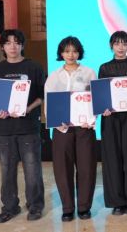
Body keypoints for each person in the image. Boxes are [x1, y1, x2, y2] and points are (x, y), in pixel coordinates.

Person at [0, 29, 45, 223]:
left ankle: (35, 206)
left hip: (28, 127)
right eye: (8, 43)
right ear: (2, 47)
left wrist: (28, 108)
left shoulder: (34, 67)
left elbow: (42, 96)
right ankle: (10, 207)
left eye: (16, 42)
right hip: (5, 130)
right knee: (7, 171)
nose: (12, 46)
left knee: (32, 170)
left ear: (22, 45)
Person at [44, 36, 97, 222]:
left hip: (84, 128)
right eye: (67, 51)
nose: (71, 54)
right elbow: (49, 101)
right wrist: (56, 121)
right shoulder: (54, 76)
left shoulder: (89, 73)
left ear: (79, 52)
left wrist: (91, 119)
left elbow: (95, 99)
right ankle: (67, 208)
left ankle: (84, 207)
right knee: (62, 169)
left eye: (74, 51)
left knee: (86, 168)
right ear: (61, 53)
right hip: (62, 129)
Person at [98, 31, 127, 215]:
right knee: (112, 159)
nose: (121, 47)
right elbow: (101, 94)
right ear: (111, 46)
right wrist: (103, 107)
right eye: (117, 43)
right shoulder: (105, 68)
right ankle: (116, 201)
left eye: (124, 43)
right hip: (111, 119)